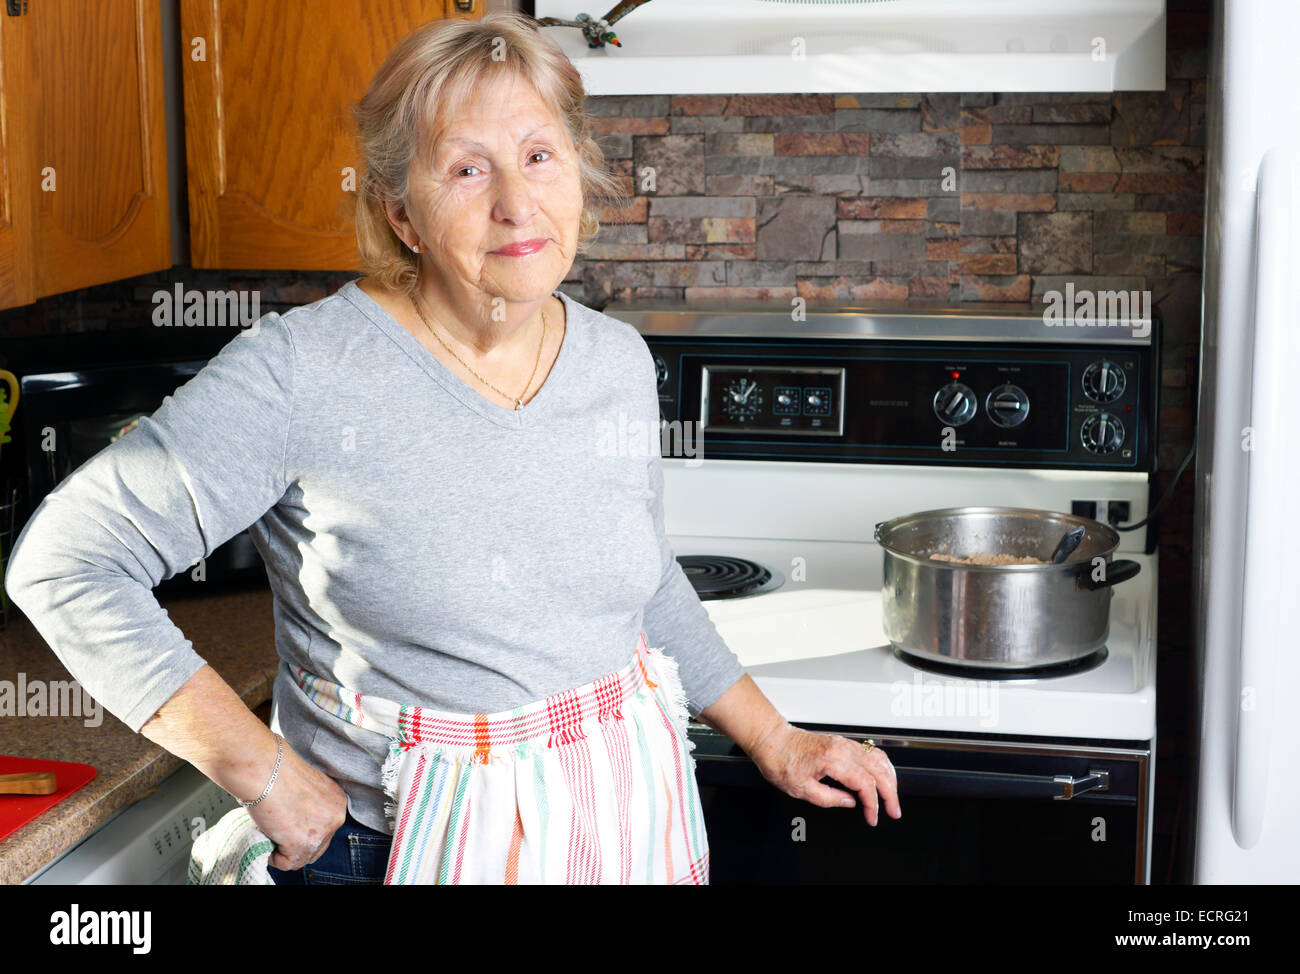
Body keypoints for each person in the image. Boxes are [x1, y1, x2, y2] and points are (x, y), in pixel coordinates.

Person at [4, 10, 899, 885]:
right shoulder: (303, 372)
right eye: (467, 169)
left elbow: (644, 582)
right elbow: (66, 562)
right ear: (400, 213)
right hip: (385, 851)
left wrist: (774, 737)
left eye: (540, 156)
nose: (518, 203)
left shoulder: (615, 362)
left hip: (616, 826)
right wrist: (262, 773)